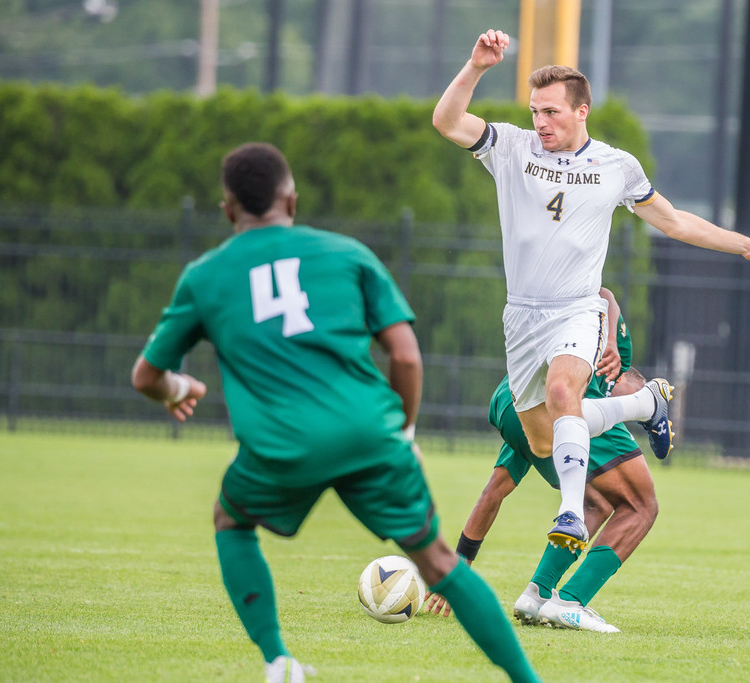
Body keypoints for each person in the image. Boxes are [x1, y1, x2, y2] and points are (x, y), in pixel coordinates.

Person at [130, 142, 541, 683]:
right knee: (438, 562)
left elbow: (145, 376)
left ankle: (278, 662)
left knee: (231, 520)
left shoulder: (205, 277)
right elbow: (405, 355)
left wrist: (179, 386)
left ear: (229, 209)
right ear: (292, 200)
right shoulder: (348, 255)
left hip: (281, 443)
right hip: (368, 432)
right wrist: (406, 431)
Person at [432, 28, 750, 553]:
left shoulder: (616, 167)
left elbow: (674, 222)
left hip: (577, 308)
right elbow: (446, 121)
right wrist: (477, 67)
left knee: (563, 394)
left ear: (582, 111)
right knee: (542, 439)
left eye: (552, 111)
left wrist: (741, 243)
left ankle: (571, 513)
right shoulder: (511, 147)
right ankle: (644, 404)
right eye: (535, 110)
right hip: (521, 317)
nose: (540, 121)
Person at [425, 290, 657, 633]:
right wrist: (610, 339)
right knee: (642, 505)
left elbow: (494, 491)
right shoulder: (613, 363)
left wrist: (461, 560)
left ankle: (537, 594)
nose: (620, 426)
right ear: (621, 379)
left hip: (513, 399)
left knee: (595, 501)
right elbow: (604, 294)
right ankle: (572, 602)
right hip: (560, 398)